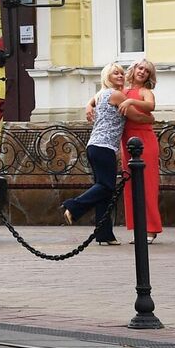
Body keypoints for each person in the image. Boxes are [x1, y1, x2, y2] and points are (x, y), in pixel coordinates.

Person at [64, 62, 128, 247]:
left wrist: (88, 104)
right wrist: (147, 113)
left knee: (104, 191)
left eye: (122, 73)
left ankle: (104, 234)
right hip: (104, 147)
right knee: (106, 187)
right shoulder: (116, 95)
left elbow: (93, 100)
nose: (120, 76)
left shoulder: (101, 95)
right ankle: (73, 206)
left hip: (95, 146)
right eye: (115, 73)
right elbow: (134, 114)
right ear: (107, 76)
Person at [118, 58, 162, 238]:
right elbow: (102, 96)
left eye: (147, 71)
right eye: (140, 68)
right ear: (134, 69)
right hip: (127, 140)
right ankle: (138, 228)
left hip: (144, 140)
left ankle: (151, 228)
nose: (142, 72)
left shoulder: (145, 91)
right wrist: (90, 104)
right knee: (130, 184)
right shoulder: (122, 90)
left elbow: (151, 106)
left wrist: (130, 102)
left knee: (148, 184)